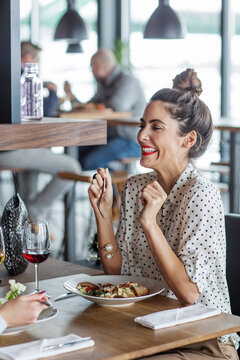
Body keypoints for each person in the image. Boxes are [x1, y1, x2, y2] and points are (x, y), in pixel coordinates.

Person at [88, 68, 239, 359]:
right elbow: (118, 273)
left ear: (188, 139)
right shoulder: (135, 187)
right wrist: (103, 212)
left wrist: (150, 223)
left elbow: (189, 293)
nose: (141, 135)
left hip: (204, 342)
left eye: (156, 127)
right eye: (142, 125)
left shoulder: (200, 195)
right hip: (148, 331)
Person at [0, 42, 81, 218]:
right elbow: (41, 112)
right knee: (73, 168)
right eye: (38, 60)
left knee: (38, 153)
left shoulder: (6, 77)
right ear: (28, 59)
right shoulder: (23, 78)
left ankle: (28, 223)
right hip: (9, 150)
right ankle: (35, 210)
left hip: (14, 147)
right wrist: (52, 92)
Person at [64, 48, 146, 170]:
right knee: (73, 154)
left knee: (89, 162)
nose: (92, 71)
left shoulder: (127, 80)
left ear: (99, 67)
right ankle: (111, 171)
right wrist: (71, 96)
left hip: (132, 140)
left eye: (92, 68)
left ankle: (115, 173)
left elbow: (116, 107)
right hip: (110, 137)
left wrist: (95, 107)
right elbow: (90, 106)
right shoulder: (104, 84)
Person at [21, 41, 59, 117]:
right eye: (37, 61)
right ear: (28, 57)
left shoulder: (11, 75)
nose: (37, 65)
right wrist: (53, 91)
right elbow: (47, 110)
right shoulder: (25, 79)